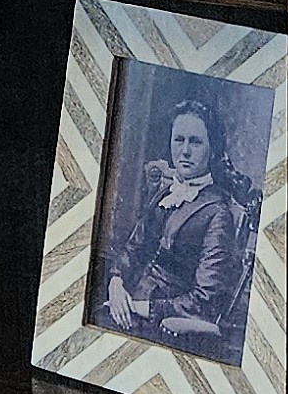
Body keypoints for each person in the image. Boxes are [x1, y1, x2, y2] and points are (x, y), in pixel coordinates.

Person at [105, 96, 249, 348]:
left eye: (196, 142)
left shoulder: (218, 214)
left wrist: (140, 308)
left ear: (213, 149)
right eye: (179, 140)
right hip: (127, 300)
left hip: (167, 323)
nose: (185, 151)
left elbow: (205, 299)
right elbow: (133, 248)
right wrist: (116, 283)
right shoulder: (167, 193)